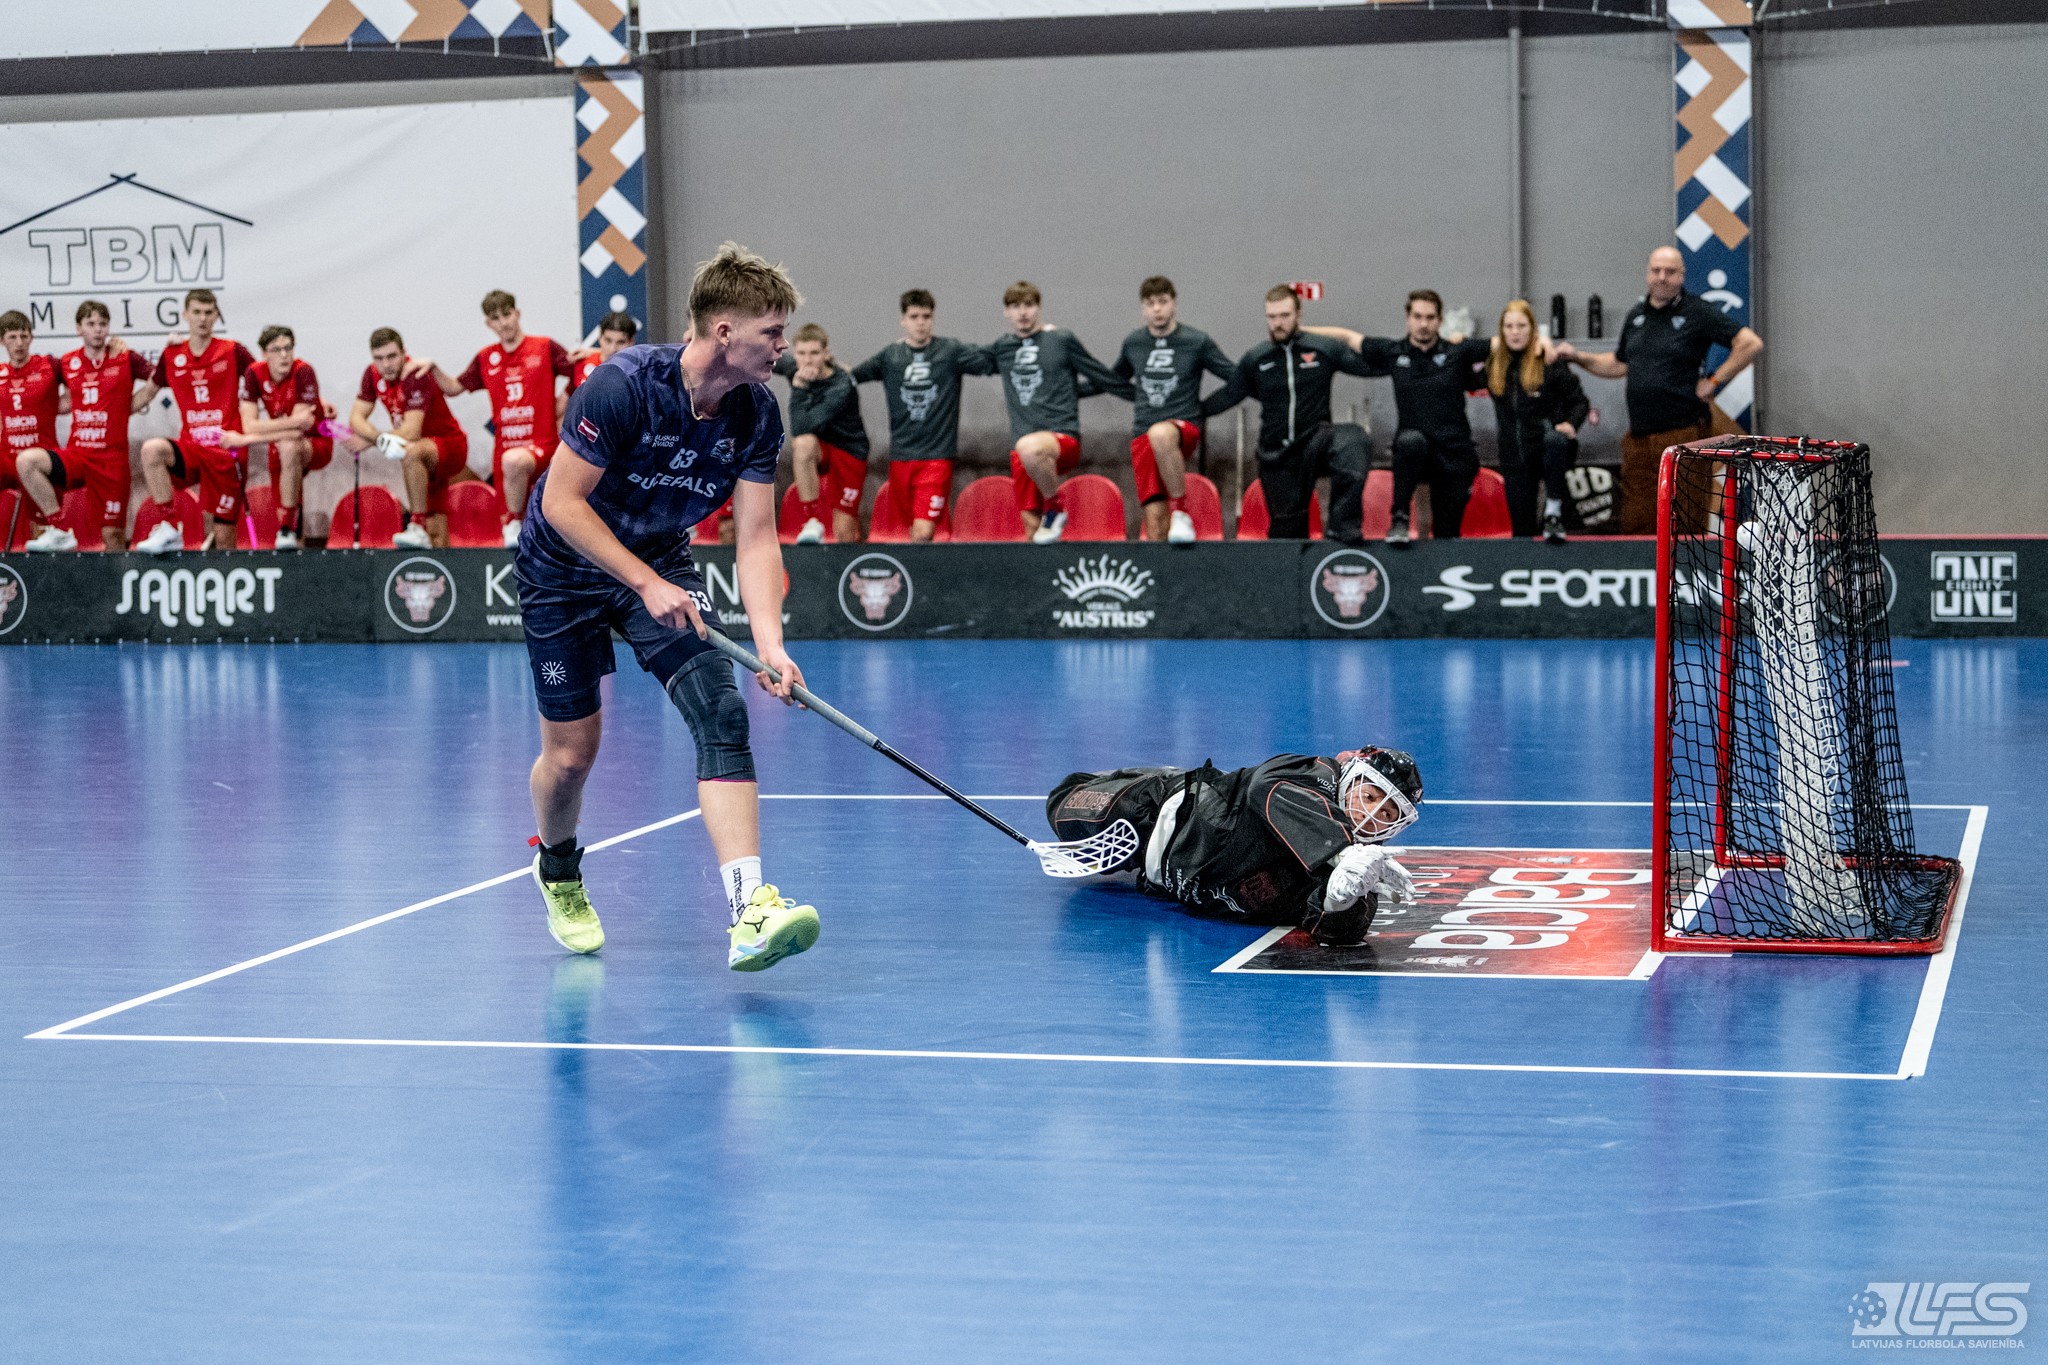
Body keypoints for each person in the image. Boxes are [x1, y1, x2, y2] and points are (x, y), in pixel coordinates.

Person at [518, 241, 818, 972]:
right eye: (773, 332)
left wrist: (770, 645)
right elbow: (561, 503)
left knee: (722, 711)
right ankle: (557, 865)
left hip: (659, 560)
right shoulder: (622, 385)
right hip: (563, 569)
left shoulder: (756, 411)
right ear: (725, 331)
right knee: (571, 755)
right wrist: (643, 583)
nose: (783, 346)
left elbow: (756, 536)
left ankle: (749, 911)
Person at [1045, 747, 1424, 947]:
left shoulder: (1360, 870)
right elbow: (1267, 787)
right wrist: (1342, 849)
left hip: (1159, 873)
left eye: (1387, 814)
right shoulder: (1314, 775)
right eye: (1370, 796)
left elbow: (1341, 933)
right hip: (1154, 810)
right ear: (1350, 778)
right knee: (1063, 805)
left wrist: (1341, 898)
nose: (1371, 815)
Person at [1555, 245, 1763, 534]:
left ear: (1682, 275)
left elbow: (1750, 343)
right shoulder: (1636, 315)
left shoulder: (1697, 311)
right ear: (1647, 274)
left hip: (1684, 436)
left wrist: (1714, 381)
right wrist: (1577, 357)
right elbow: (1618, 364)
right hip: (1639, 440)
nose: (1662, 277)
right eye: (1656, 270)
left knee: (1685, 525)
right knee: (1636, 522)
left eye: (1670, 271)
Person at [1309, 289, 1492, 545]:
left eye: (1430, 318)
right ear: (1408, 319)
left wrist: (1541, 343)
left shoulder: (1457, 351)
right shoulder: (1393, 352)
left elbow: (1503, 342)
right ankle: (1400, 518)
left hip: (1454, 455)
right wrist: (1300, 331)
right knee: (1409, 441)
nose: (1423, 324)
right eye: (1417, 317)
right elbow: (1348, 337)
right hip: (1415, 454)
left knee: (1447, 534)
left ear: (1440, 320)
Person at [1199, 285, 1376, 543]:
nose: (1278, 323)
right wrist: (1186, 415)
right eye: (1272, 317)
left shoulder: (1323, 348)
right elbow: (1228, 395)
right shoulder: (1256, 358)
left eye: (1284, 315)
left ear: (1298, 315)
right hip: (1277, 455)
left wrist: (1351, 337)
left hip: (1315, 442)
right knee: (1287, 535)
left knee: (1353, 439)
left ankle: (1342, 526)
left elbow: (1371, 367)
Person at [412, 291, 575, 547]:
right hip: (504, 452)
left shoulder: (544, 347)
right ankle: (514, 525)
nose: (503, 323)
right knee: (514, 540)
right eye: (496, 318)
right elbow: (453, 388)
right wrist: (433, 367)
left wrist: (563, 401)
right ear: (489, 323)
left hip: (541, 446)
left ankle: (515, 522)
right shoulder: (486, 357)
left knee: (541, 516)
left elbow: (580, 371)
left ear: (517, 314)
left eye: (507, 315)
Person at [850, 289, 997, 542]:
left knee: (923, 531)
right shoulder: (890, 356)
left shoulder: (950, 351)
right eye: (914, 317)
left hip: (936, 458)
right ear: (903, 320)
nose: (921, 322)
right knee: (914, 534)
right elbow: (850, 377)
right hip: (901, 457)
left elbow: (992, 361)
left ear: (933, 319)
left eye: (926, 317)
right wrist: (815, 371)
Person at [984, 281, 1123, 543]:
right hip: (1023, 450)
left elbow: (1102, 377)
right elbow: (961, 360)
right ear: (1006, 312)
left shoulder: (1060, 340)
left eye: (1028, 305)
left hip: (1060, 440)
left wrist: (1141, 396)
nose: (1022, 312)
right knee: (1033, 530)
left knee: (1029, 447)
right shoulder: (1003, 348)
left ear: (1039, 308)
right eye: (1016, 306)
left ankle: (1055, 507)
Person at [1111, 276, 1236, 544]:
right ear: (1143, 308)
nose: (1157, 309)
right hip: (1143, 431)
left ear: (1174, 304)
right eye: (1150, 303)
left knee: (1161, 433)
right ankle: (1160, 568)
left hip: (1182, 428)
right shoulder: (1134, 342)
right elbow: (1112, 379)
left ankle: (1181, 511)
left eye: (1163, 302)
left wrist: (1206, 408)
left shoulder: (1196, 341)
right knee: (1155, 523)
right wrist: (1071, 388)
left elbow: (1236, 378)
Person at [25, 301, 154, 552]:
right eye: (91, 324)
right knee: (27, 462)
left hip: (111, 461)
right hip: (78, 456)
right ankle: (57, 528)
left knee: (113, 534)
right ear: (79, 328)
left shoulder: (125, 357)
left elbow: (159, 378)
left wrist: (126, 406)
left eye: (102, 324)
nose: (97, 329)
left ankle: (118, 578)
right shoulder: (65, 363)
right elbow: (52, 396)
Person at [136, 290, 258, 554]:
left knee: (224, 537)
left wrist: (315, 405)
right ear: (185, 315)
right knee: (152, 450)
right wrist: (105, 410)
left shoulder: (233, 350)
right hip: (192, 448)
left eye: (208, 312)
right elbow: (147, 393)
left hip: (226, 452)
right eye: (197, 312)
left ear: (216, 316)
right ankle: (169, 528)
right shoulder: (172, 355)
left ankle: (227, 576)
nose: (202, 319)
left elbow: (265, 381)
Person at [347, 327, 474, 550]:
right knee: (436, 525)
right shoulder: (372, 374)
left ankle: (416, 525)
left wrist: (371, 440)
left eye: (392, 356)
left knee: (411, 451)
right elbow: (355, 418)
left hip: (449, 446)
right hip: (419, 454)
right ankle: (427, 541)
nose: (386, 364)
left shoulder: (415, 375)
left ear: (404, 353)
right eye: (379, 358)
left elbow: (411, 431)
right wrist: (378, 437)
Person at [1486, 299, 1589, 544]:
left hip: (1548, 453)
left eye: (1521, 326)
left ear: (1532, 329)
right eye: (1509, 326)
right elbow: (1463, 370)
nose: (1515, 332)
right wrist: (1458, 340)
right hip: (1514, 457)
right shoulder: (1494, 365)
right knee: (1521, 532)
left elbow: (1580, 401)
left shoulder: (1548, 361)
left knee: (1555, 440)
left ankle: (1553, 512)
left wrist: (1571, 424)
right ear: (1501, 331)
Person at [224, 325, 328, 550]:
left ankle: (287, 529)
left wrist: (246, 439)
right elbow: (249, 424)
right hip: (279, 442)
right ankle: (290, 537)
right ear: (264, 354)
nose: (284, 355)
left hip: (316, 442)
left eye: (288, 348)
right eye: (276, 350)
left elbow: (300, 430)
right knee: (285, 502)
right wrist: (289, 423)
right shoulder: (254, 373)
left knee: (290, 447)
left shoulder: (303, 371)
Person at [774, 322, 869, 545]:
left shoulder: (841, 385)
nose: (807, 360)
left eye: (814, 353)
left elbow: (802, 425)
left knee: (844, 533)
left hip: (849, 452)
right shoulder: (794, 367)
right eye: (801, 353)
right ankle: (812, 520)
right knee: (803, 445)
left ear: (826, 354)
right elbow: (761, 356)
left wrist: (799, 387)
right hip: (820, 449)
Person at [0, 310, 69, 550]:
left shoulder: (49, 365)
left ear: (31, 338)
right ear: (2, 340)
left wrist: (52, 406)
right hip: (7, 458)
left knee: (42, 532)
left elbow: (81, 384)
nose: (19, 343)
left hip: (40, 459)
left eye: (24, 336)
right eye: (12, 337)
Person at [571, 311, 638, 392]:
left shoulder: (637, 371)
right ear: (600, 337)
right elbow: (567, 395)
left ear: (631, 342)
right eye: (608, 341)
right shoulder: (582, 362)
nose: (613, 348)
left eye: (620, 342)